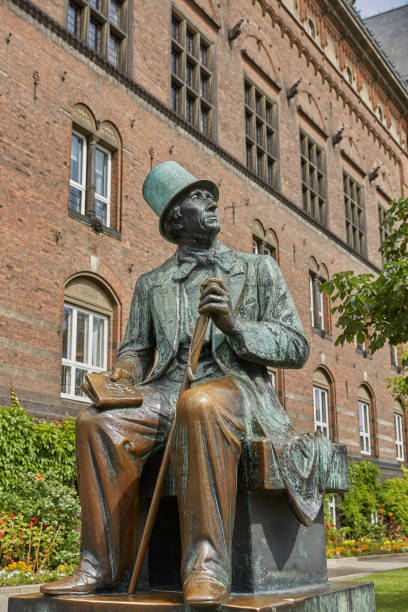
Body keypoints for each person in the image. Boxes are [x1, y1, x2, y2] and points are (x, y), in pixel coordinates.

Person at [41, 161, 332, 605]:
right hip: (163, 392)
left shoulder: (256, 270)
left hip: (235, 388)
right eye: (198, 197)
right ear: (176, 218)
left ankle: (206, 565)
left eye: (208, 196)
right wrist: (123, 377)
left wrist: (236, 328)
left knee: (200, 405)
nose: (211, 202)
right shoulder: (151, 284)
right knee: (96, 424)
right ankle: (102, 567)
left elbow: (295, 345)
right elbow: (136, 349)